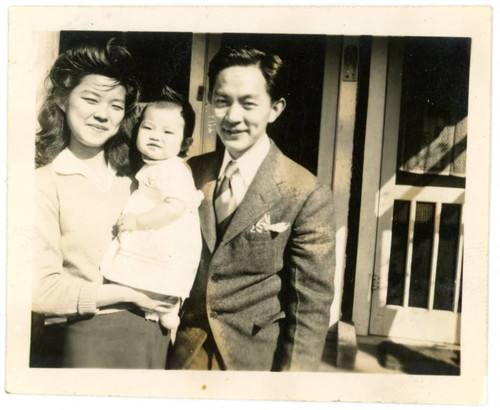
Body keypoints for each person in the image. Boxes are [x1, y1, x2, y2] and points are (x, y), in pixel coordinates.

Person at [167, 45, 336, 371]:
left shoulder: (305, 192)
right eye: (222, 101)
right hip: (183, 353)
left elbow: (309, 308)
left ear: (275, 108)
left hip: (254, 361)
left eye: (248, 103)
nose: (232, 117)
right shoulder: (190, 172)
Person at [32, 39, 175, 369]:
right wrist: (127, 294)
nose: (102, 114)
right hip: (83, 343)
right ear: (63, 100)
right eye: (91, 99)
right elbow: (39, 288)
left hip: (154, 339)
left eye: (116, 105)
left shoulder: (141, 179)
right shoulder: (44, 183)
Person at [100, 86, 203, 335]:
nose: (156, 136)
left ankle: (167, 306)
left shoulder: (174, 170)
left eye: (168, 132)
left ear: (185, 143)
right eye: (148, 128)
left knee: (162, 267)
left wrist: (139, 221)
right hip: (150, 228)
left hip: (162, 230)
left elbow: (175, 205)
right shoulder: (153, 166)